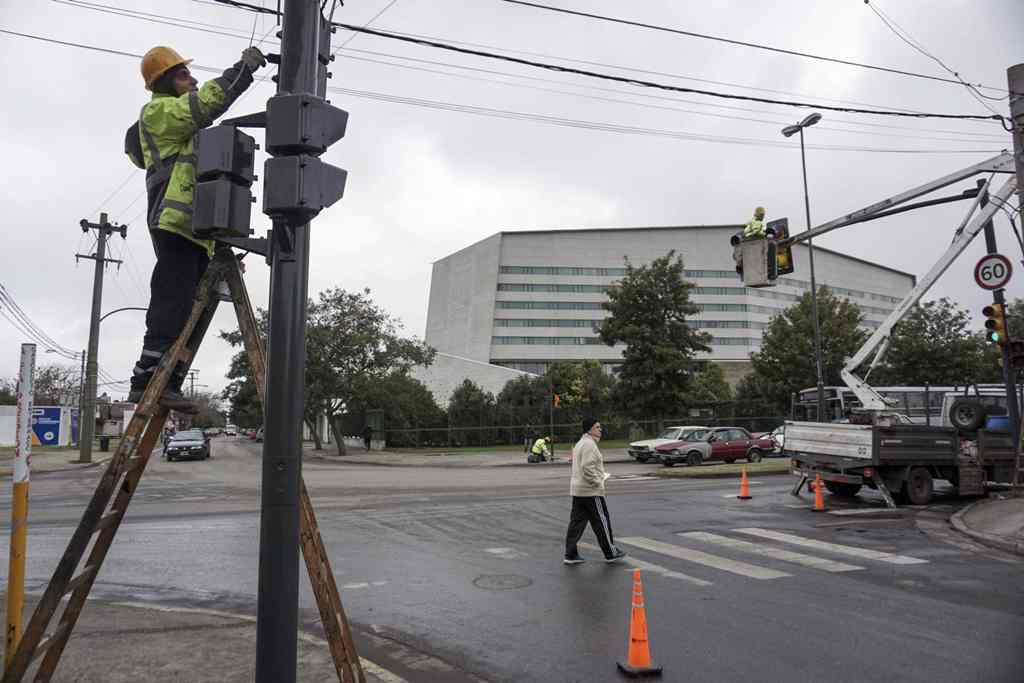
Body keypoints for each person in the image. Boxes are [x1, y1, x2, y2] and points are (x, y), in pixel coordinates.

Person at [124, 45, 268, 412]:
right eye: (185, 75)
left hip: (195, 231)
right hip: (175, 225)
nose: (193, 80)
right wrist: (243, 70)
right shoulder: (158, 112)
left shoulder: (174, 122)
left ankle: (166, 380)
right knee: (171, 300)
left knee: (189, 306)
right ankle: (145, 378)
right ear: (165, 81)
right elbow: (206, 105)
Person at [563, 418, 627, 565]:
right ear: (590, 429)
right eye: (597, 427)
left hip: (578, 490)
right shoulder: (589, 444)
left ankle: (570, 554)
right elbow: (587, 467)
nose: (600, 429)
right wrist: (598, 482)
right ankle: (610, 553)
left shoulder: (580, 443)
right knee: (602, 521)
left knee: (576, 523)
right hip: (590, 491)